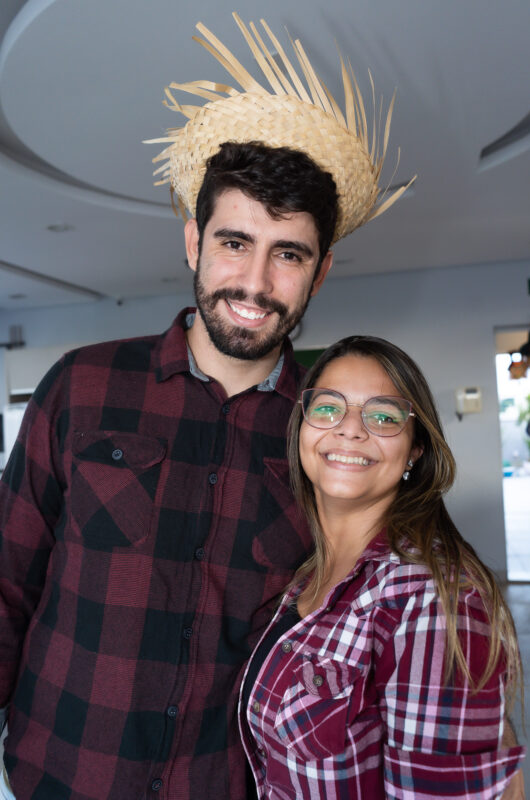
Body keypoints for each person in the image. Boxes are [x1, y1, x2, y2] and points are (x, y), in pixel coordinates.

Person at [0, 16, 416, 800]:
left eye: (286, 254)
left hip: (227, 784)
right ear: (193, 241)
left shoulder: (326, 435)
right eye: (234, 243)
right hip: (62, 771)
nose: (254, 283)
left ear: (319, 272)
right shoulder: (82, 386)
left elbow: (380, 607)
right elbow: (7, 579)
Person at [239, 335, 526, 799]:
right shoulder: (304, 573)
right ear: (301, 429)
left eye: (383, 416)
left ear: (415, 451)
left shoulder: (432, 599)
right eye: (329, 407)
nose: (350, 429)